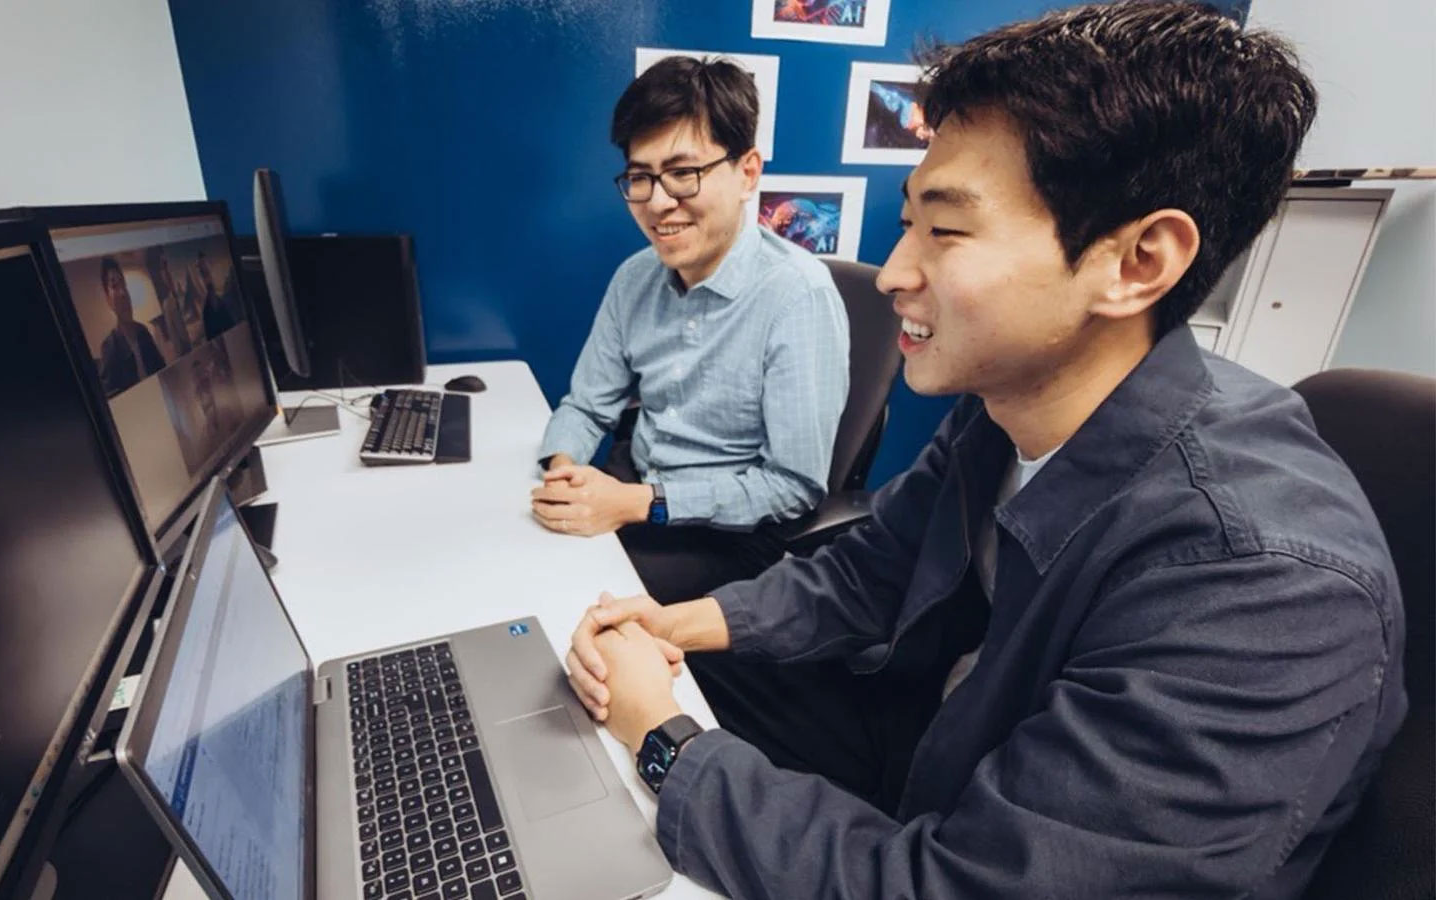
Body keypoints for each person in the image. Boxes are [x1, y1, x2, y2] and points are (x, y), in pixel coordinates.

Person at [564, 4, 1407, 898]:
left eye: (946, 230)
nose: (892, 273)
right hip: (937, 737)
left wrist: (664, 741)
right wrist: (681, 623)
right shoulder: (1007, 402)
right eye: (907, 224)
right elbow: (870, 573)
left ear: (1138, 262)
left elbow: (965, 884)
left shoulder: (1264, 590)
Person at [533, 56, 850, 605]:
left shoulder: (799, 296)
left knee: (573, 608)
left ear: (748, 172)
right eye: (640, 177)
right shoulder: (634, 277)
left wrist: (640, 502)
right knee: (520, 555)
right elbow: (586, 407)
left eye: (684, 174)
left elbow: (793, 487)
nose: (658, 202)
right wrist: (566, 475)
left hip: (726, 537)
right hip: (631, 487)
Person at [96, 255, 167, 395]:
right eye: (115, 286)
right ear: (107, 298)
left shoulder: (143, 332)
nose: (123, 293)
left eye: (123, 284)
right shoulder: (110, 347)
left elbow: (162, 371)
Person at [195, 251, 240, 339]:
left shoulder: (222, 302)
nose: (208, 278)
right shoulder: (207, 311)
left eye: (208, 272)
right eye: (204, 274)